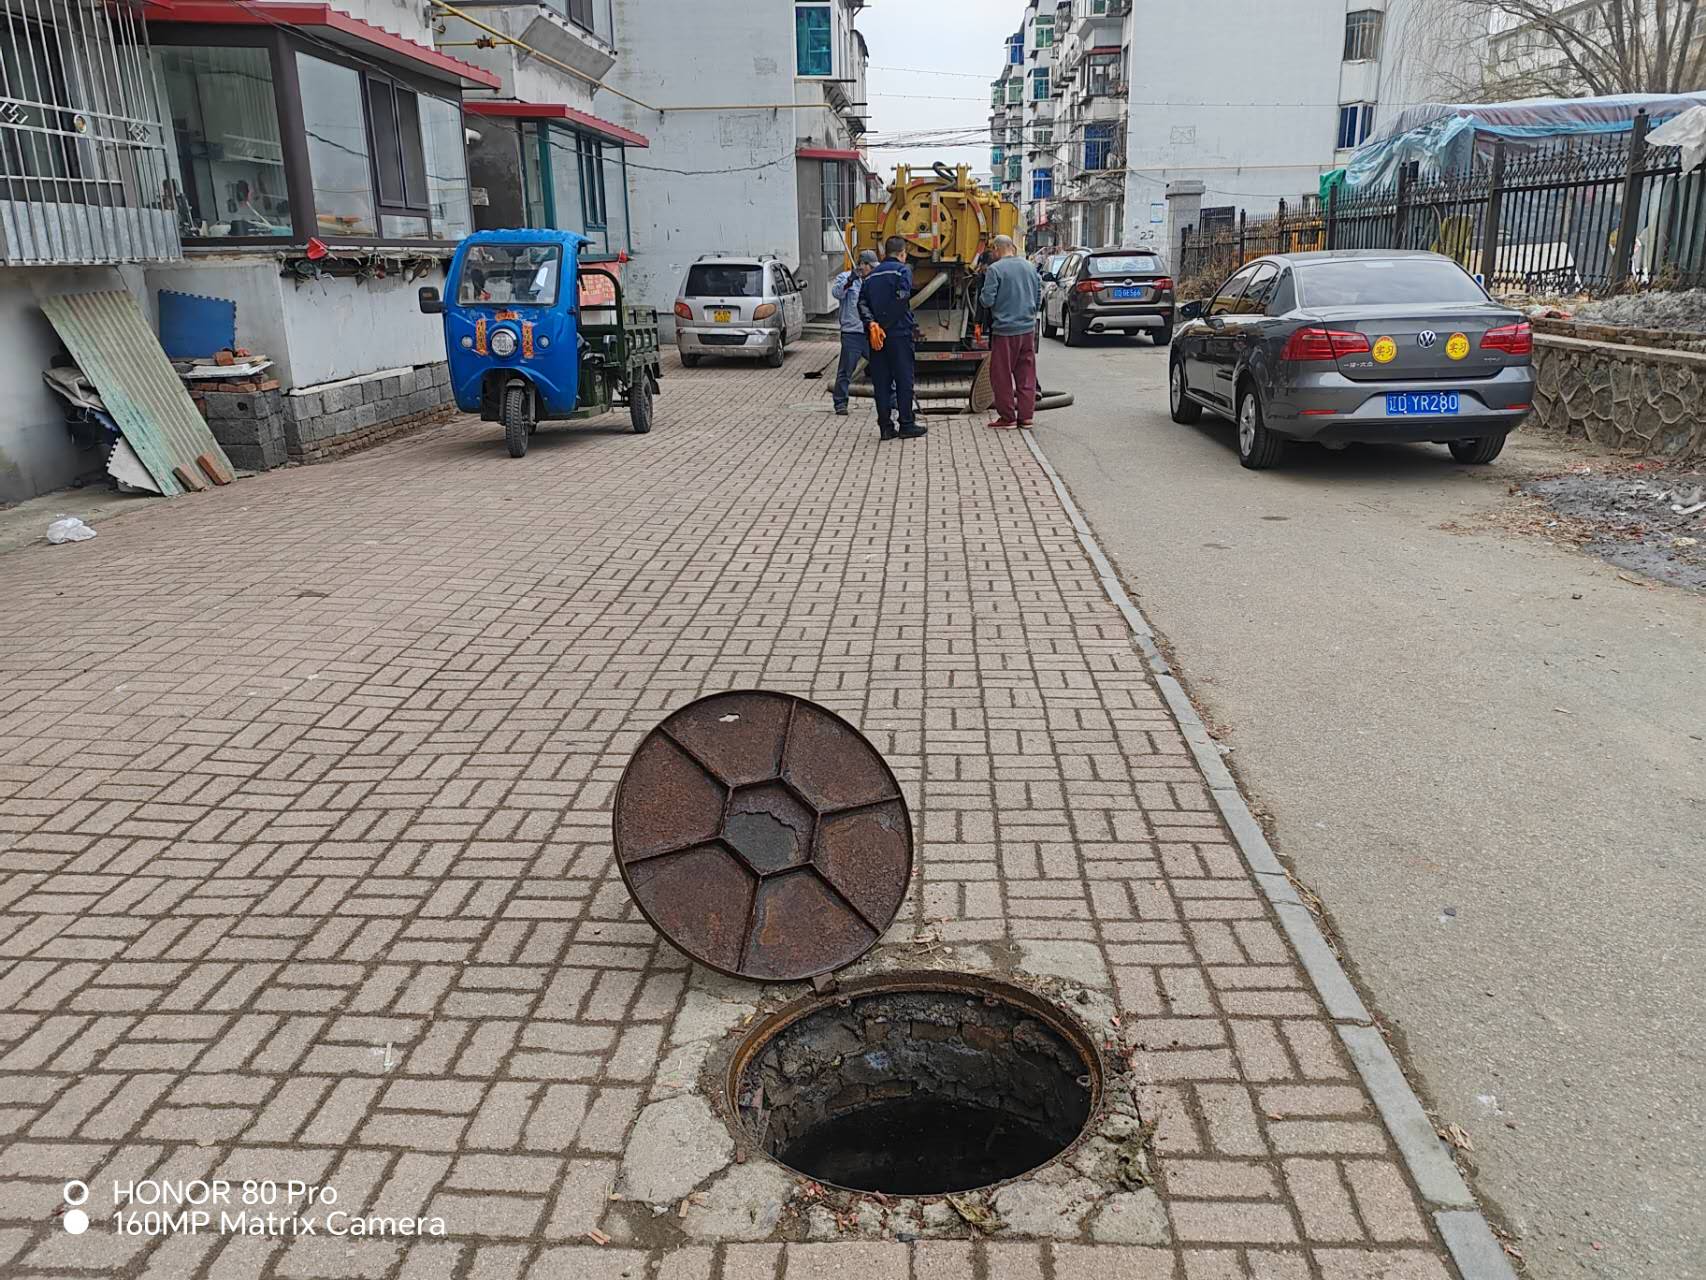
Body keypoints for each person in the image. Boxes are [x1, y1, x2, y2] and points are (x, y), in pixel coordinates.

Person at [858, 235, 925, 440]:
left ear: (883, 254)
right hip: (899, 334)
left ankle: (885, 427)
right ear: (902, 254)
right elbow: (902, 298)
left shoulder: (870, 277)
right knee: (904, 379)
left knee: (881, 382)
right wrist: (886, 324)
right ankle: (906, 424)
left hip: (876, 337)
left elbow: (861, 303)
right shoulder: (903, 271)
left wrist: (872, 324)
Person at [978, 234, 1042, 429]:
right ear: (1012, 247)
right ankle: (1026, 417)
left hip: (1005, 331)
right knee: (1026, 373)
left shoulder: (995, 270)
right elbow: (1038, 295)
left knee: (1001, 375)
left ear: (997, 250)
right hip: (1027, 329)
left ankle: (1008, 417)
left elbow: (987, 300)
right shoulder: (1030, 267)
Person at [830, 250, 879, 416]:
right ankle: (840, 403)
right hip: (852, 333)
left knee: (883, 367)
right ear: (862, 265)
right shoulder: (845, 278)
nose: (872, 270)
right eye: (870, 266)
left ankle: (892, 400)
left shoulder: (874, 280)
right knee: (846, 370)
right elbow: (837, 293)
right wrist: (850, 281)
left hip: (871, 331)